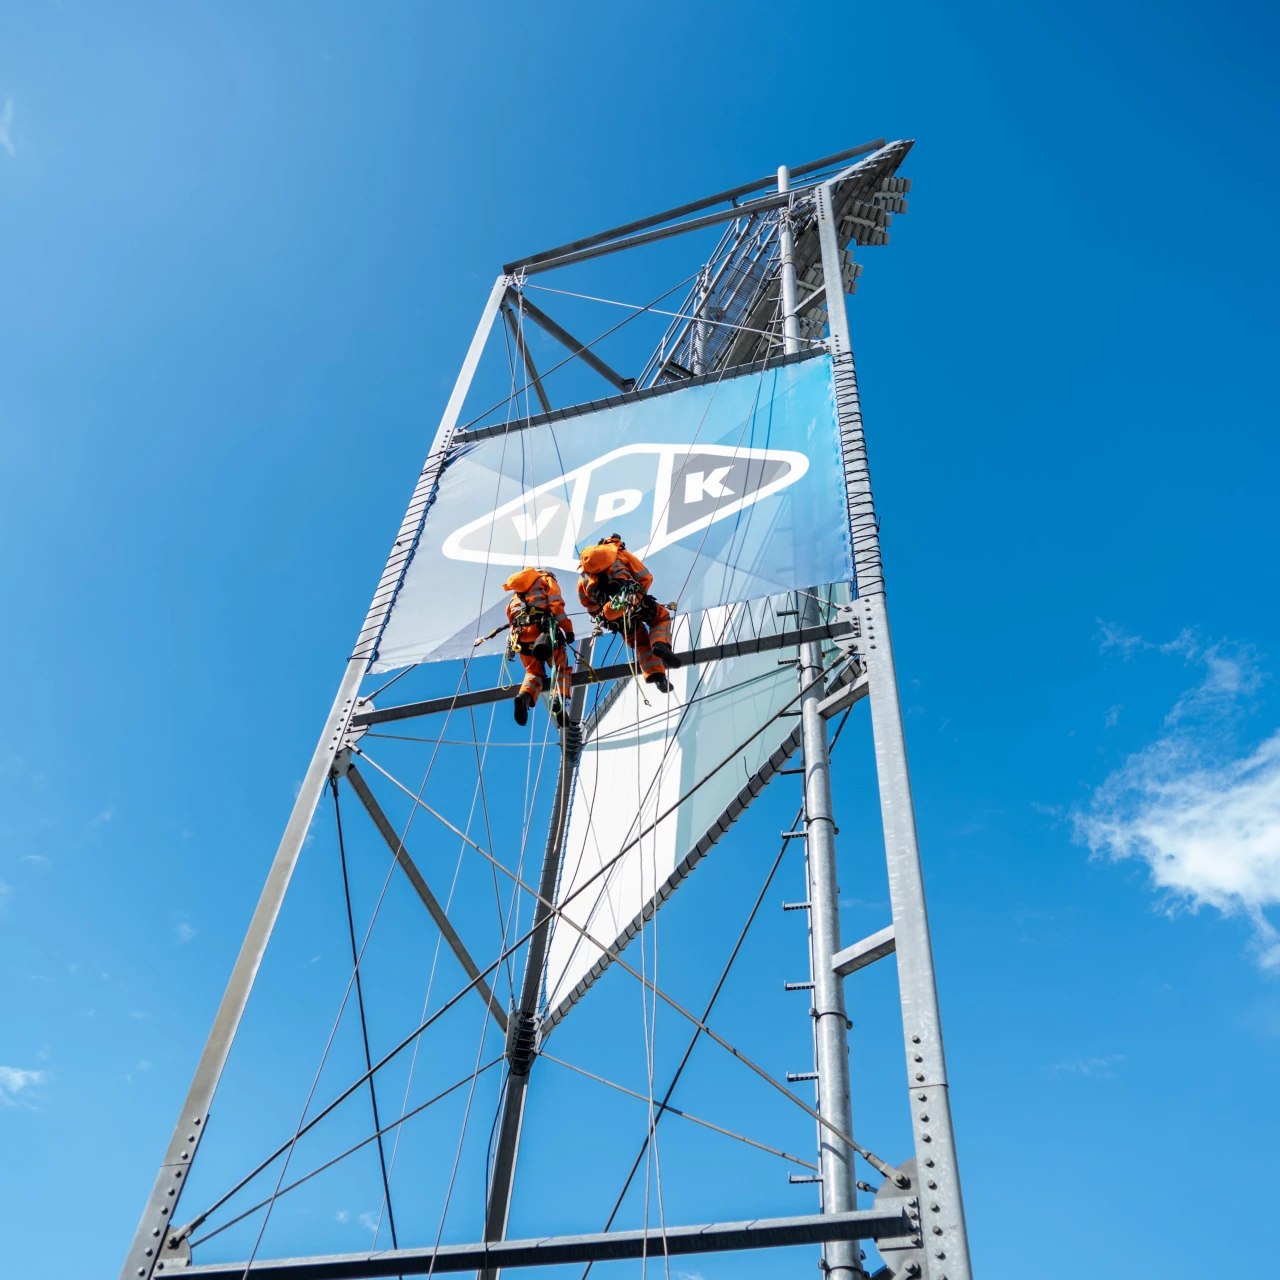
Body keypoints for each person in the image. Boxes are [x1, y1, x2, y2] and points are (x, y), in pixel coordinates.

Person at [577, 534, 680, 693]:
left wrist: (604, 617)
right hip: (632, 599)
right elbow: (645, 577)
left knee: (638, 641)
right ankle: (659, 643)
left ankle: (658, 677)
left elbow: (588, 604)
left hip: (612, 615)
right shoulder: (620, 553)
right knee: (660, 617)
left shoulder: (584, 576)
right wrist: (641, 596)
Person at [501, 567, 574, 727]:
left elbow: (511, 618)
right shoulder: (546, 580)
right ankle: (559, 700)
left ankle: (525, 696)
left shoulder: (516, 594)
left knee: (533, 672)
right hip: (543, 633)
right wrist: (568, 630)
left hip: (520, 638)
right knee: (561, 667)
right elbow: (556, 604)